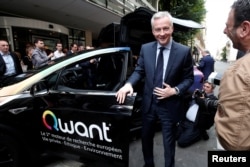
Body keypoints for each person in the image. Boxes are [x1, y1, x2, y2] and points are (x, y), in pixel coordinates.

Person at [116, 11, 194, 167]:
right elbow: (139, 71)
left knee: (168, 142)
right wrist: (128, 84)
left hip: (170, 105)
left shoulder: (184, 52)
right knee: (146, 138)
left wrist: (175, 90)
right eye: (158, 29)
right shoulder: (146, 49)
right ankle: (148, 164)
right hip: (149, 104)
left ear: (172, 29)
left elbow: (189, 79)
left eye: (165, 28)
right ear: (153, 31)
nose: (162, 33)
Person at [214, 0, 250, 151]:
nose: (224, 31)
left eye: (228, 26)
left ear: (244, 29)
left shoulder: (238, 71)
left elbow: (234, 142)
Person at [177, 80, 217, 147]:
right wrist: (192, 96)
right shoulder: (198, 93)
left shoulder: (213, 100)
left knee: (181, 142)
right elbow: (184, 100)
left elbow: (210, 115)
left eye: (208, 87)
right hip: (185, 121)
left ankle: (200, 134)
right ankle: (188, 133)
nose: (205, 88)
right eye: (204, 86)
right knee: (174, 136)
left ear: (212, 89)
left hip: (195, 125)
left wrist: (203, 100)